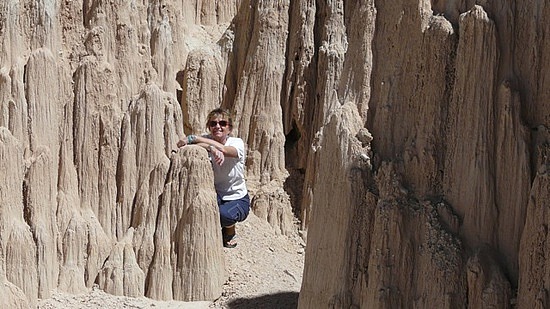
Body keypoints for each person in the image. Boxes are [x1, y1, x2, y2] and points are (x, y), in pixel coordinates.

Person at [177, 108, 249, 248]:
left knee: (222, 216)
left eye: (223, 123)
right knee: (199, 209)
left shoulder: (236, 142)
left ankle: (230, 229)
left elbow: (226, 150)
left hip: (236, 198)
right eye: (213, 123)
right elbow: (185, 145)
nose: (218, 127)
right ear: (209, 127)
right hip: (215, 194)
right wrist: (211, 147)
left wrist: (197, 138)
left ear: (229, 128)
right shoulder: (208, 139)